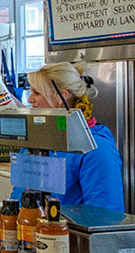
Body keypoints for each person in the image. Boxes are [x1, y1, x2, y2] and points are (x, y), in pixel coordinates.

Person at [11, 62, 124, 211]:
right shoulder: (36, 142)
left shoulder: (95, 149)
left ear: (61, 97)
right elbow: (19, 198)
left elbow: (106, 216)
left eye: (37, 93)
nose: (30, 99)